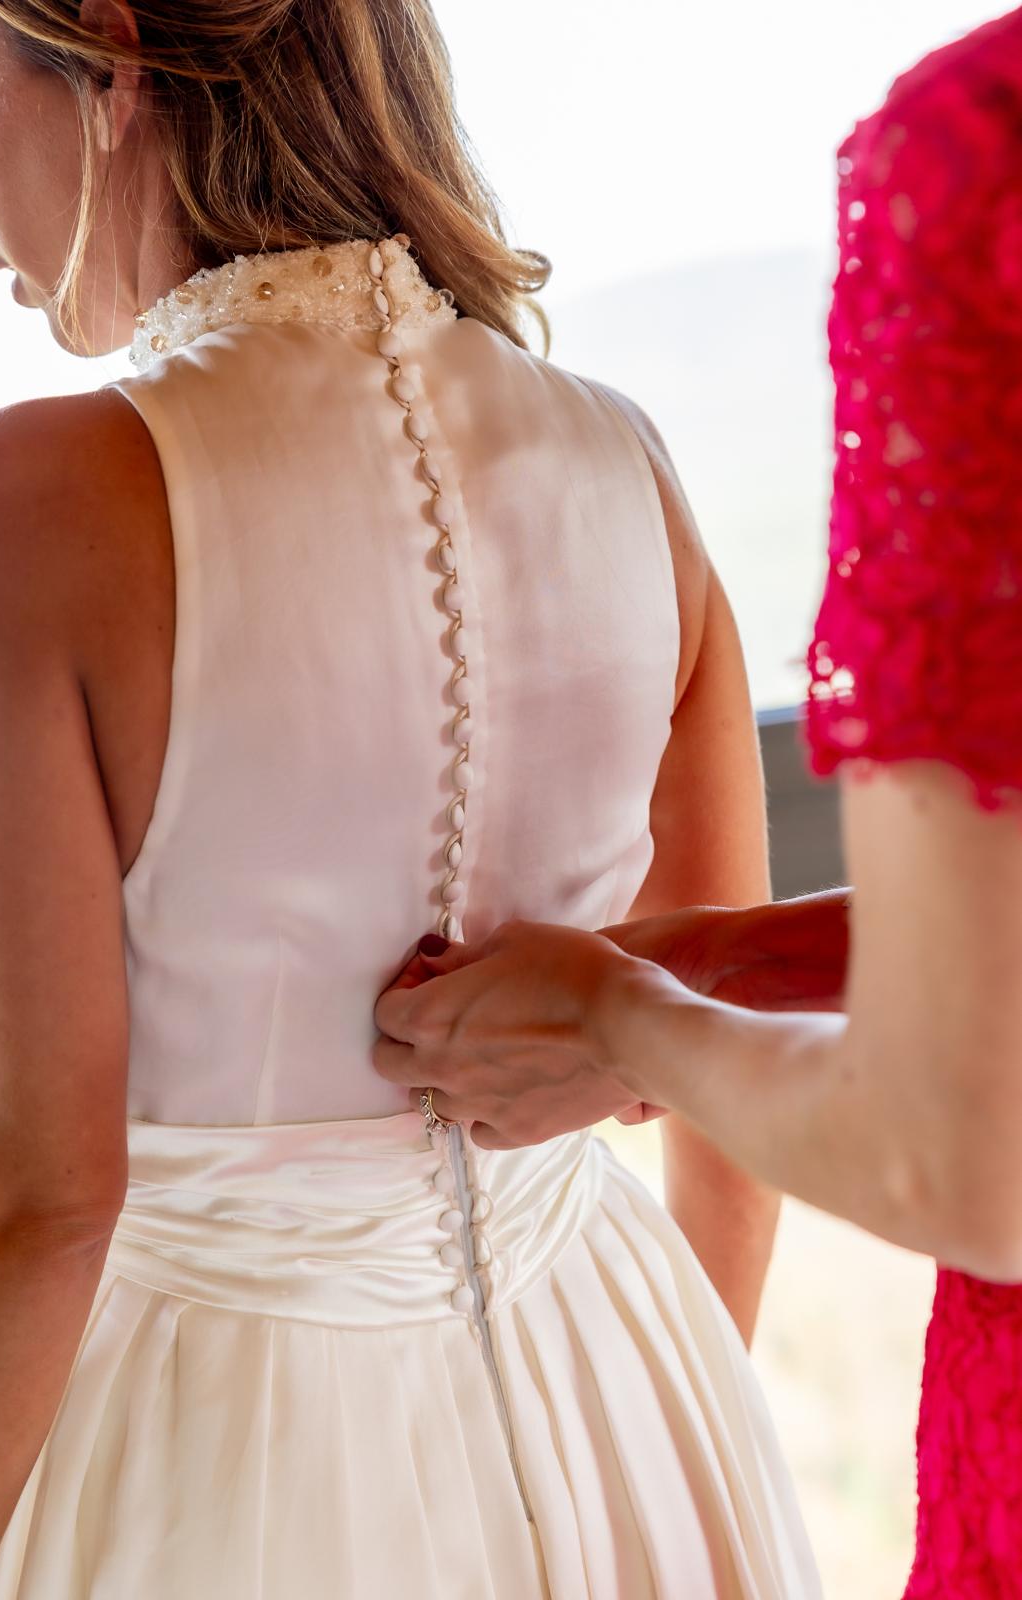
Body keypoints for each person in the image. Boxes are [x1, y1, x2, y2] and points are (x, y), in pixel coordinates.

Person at [0, 1, 822, 1595]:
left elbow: (38, 1198)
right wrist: (675, 1411)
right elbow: (725, 1032)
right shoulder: (625, 459)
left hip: (199, 1446)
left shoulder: (22, 506)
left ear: (113, 58)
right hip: (618, 1380)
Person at [375, 7, 1022, 1594]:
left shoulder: (984, 159)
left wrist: (621, 1022)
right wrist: (733, 958)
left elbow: (967, 1159)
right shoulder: (616, 456)